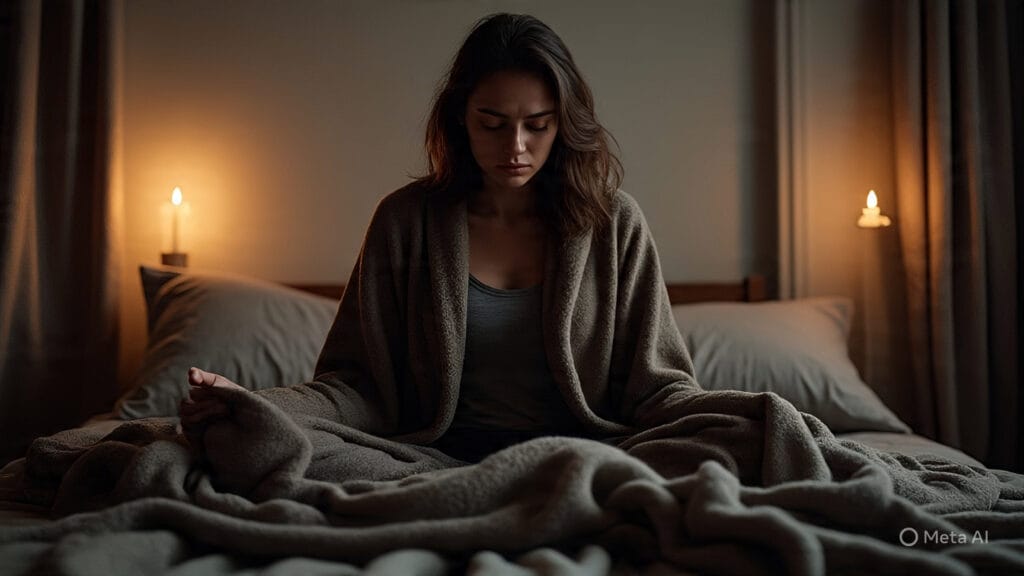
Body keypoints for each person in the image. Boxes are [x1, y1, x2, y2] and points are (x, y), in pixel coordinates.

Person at [180, 13, 699, 465]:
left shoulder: (613, 223)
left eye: (537, 126)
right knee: (243, 448)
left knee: (736, 442)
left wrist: (751, 416)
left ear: (562, 125)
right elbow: (357, 387)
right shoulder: (405, 222)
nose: (515, 146)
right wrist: (258, 405)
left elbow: (657, 386)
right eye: (492, 124)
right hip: (430, 457)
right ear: (460, 119)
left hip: (585, 453)